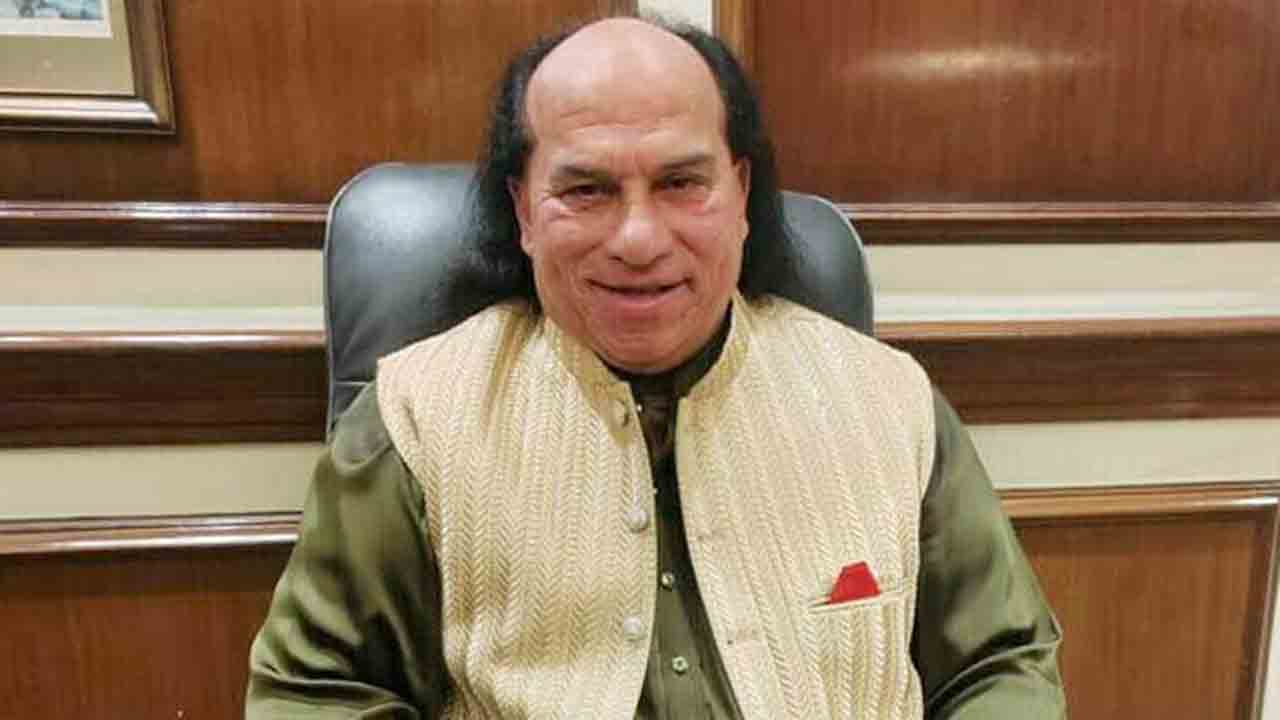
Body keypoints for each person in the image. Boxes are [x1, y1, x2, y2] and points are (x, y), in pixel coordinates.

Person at [246, 16, 1065, 720]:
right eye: (587, 190)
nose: (638, 239)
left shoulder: (890, 403)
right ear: (525, 210)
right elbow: (317, 692)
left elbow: (1000, 665)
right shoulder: (415, 420)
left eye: (680, 182)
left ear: (740, 194)